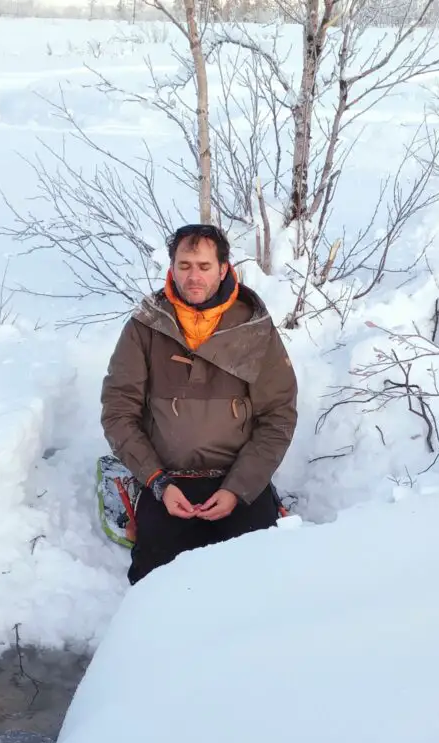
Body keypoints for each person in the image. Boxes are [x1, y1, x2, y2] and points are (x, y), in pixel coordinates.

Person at [100, 223, 298, 585]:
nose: (193, 276)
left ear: (223, 269)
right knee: (155, 579)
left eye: (204, 266)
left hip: (237, 480)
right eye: (185, 265)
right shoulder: (145, 326)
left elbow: (278, 416)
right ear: (172, 267)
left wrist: (238, 489)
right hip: (167, 479)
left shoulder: (253, 327)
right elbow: (118, 412)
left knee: (258, 575)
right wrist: (157, 482)